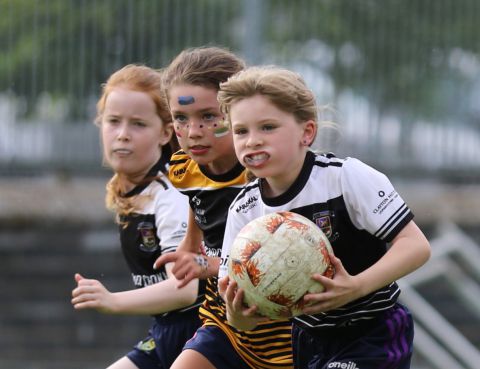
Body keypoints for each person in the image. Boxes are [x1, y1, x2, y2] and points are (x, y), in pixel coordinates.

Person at [216, 66, 431, 369]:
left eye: (267, 127)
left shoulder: (346, 178)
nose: (252, 141)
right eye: (241, 131)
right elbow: (237, 313)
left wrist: (355, 287)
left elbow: (416, 246)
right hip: (308, 338)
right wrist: (238, 315)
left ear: (307, 132)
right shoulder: (244, 210)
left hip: (373, 330)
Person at [153, 47, 294, 369]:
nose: (193, 132)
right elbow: (199, 218)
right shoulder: (183, 169)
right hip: (223, 318)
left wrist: (207, 264)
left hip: (282, 324)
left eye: (208, 116)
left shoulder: (265, 174)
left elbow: (278, 263)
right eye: (180, 118)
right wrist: (187, 253)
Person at [71, 64, 205, 369]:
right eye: (113, 121)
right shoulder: (131, 189)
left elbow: (185, 289)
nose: (122, 135)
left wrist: (112, 300)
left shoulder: (171, 193)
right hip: (167, 332)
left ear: (165, 133)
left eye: (138, 124)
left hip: (203, 333)